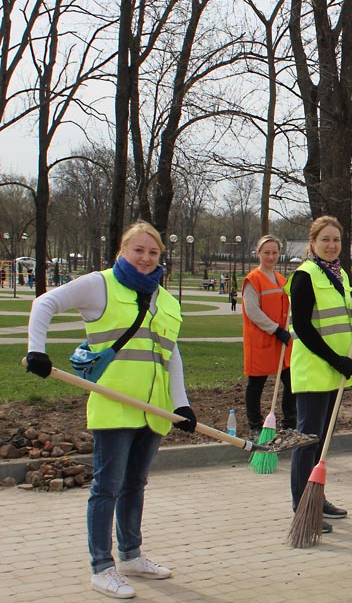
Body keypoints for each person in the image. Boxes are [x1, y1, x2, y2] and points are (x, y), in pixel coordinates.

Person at [25, 221, 197, 600]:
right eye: (139, 250)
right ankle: (102, 567)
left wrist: (181, 403)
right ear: (123, 250)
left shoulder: (166, 300)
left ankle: (131, 555)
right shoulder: (100, 285)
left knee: (135, 484)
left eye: (153, 252)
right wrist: (36, 350)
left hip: (154, 410)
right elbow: (44, 303)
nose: (146, 258)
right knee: (107, 488)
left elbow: (172, 355)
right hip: (114, 404)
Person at [285, 216, 352, 529]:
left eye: (336, 240)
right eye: (325, 239)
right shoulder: (304, 276)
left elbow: (338, 318)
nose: (331, 245)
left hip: (335, 370)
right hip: (314, 370)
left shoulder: (339, 274)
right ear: (312, 242)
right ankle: (303, 507)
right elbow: (303, 327)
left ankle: (317, 497)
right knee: (307, 440)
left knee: (321, 443)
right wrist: (335, 359)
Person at [242, 235, 296, 436]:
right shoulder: (253, 280)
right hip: (262, 341)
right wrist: (275, 329)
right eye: (266, 253)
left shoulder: (281, 280)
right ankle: (255, 425)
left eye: (274, 252)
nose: (271, 257)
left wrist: (285, 330)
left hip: (281, 341)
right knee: (256, 385)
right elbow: (252, 311)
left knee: (290, 382)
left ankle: (290, 422)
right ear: (258, 253)